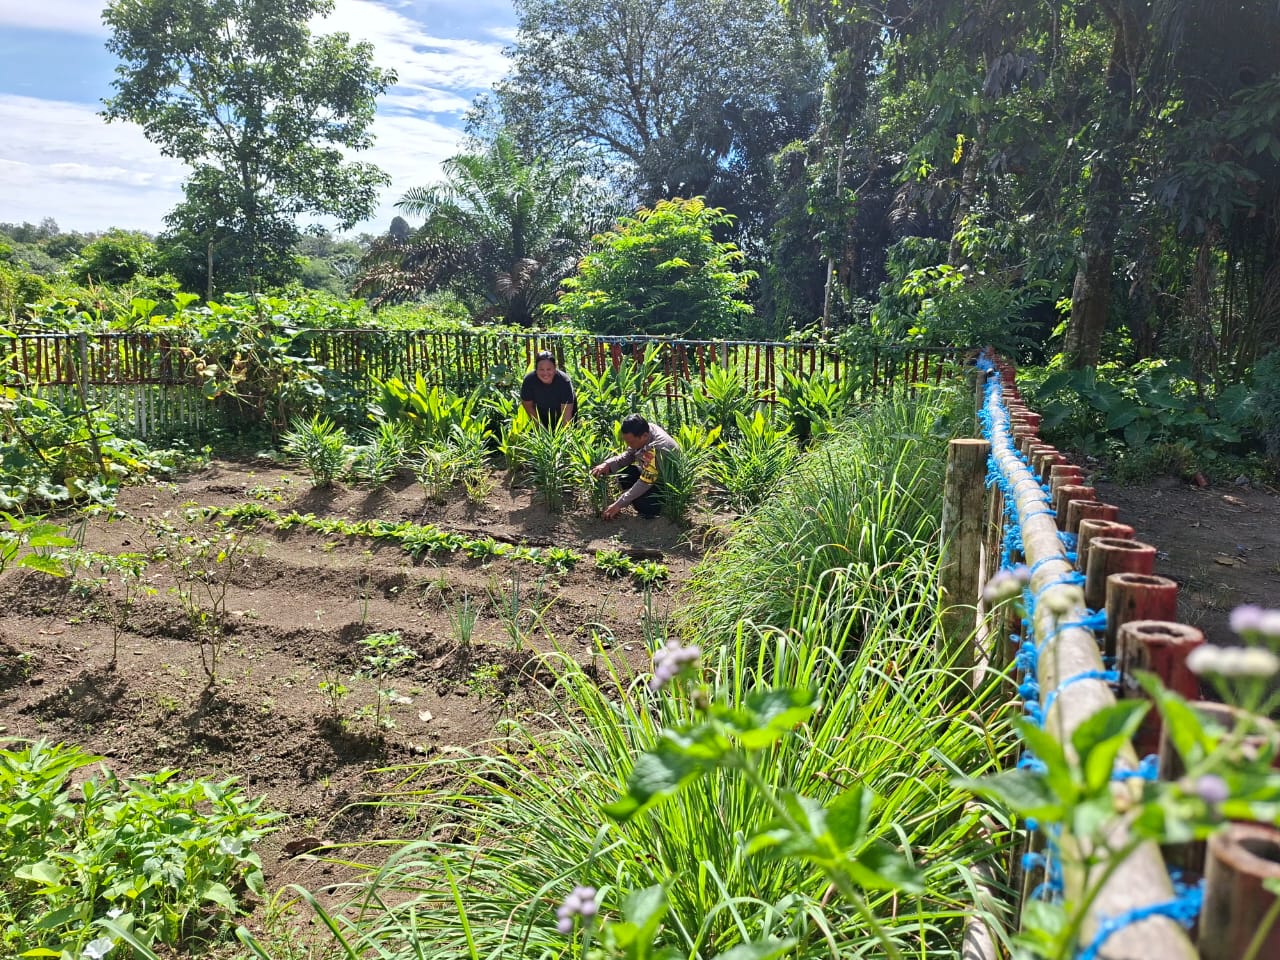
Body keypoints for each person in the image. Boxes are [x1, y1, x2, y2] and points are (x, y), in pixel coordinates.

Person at [591, 414, 680, 519]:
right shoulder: (645, 430)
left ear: (644, 436)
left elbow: (646, 481)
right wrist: (607, 464)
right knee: (625, 475)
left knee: (643, 503)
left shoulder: (657, 448)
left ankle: (656, 512)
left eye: (631, 442)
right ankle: (632, 498)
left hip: (666, 486)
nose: (629, 445)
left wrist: (620, 503)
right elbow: (629, 455)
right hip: (651, 474)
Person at [520, 351, 576, 428]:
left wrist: (564, 436)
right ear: (536, 369)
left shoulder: (564, 382)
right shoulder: (529, 381)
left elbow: (566, 416)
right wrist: (540, 429)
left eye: (549, 369)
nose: (545, 373)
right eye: (541, 369)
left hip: (564, 414)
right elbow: (528, 407)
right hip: (541, 414)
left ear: (555, 369)